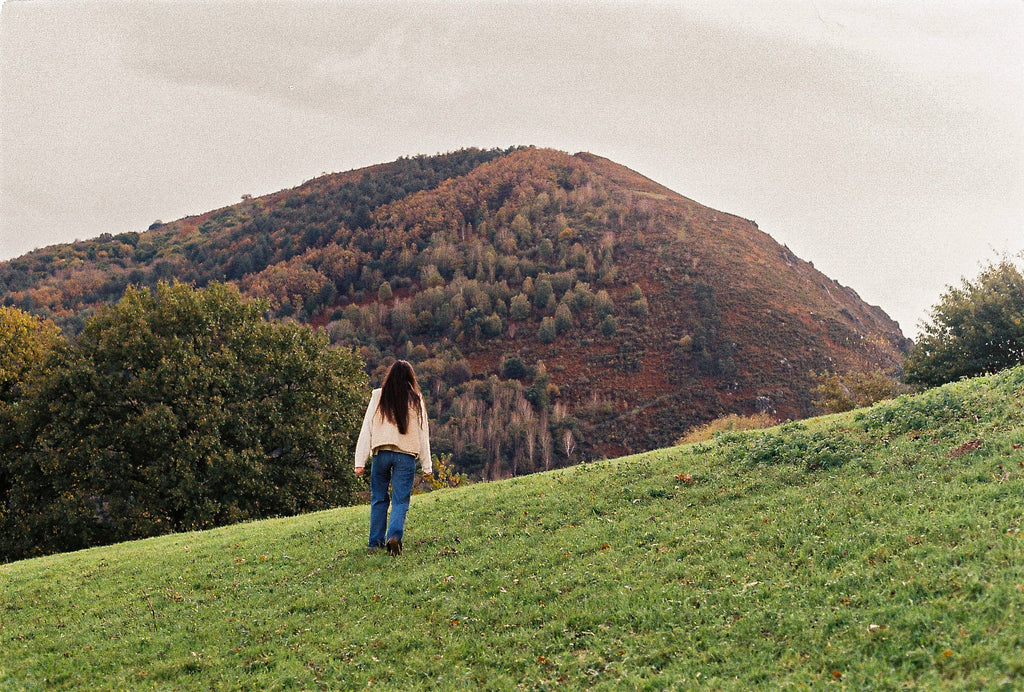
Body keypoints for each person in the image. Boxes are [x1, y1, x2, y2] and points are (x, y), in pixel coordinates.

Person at [354, 360, 432, 555]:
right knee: (400, 500)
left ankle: (374, 543)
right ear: (410, 378)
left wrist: (359, 461)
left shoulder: (378, 396)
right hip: (405, 456)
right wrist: (427, 465)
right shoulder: (416, 399)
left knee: (379, 499)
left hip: (381, 454)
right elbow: (423, 433)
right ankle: (394, 536)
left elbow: (367, 429)